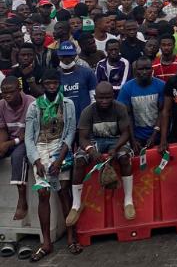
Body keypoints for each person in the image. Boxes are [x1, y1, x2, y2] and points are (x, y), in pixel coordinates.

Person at [24, 69, 78, 261]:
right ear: (43, 84)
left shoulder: (68, 104)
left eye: (55, 83)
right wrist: (36, 160)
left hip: (60, 148)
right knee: (43, 193)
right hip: (40, 149)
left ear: (59, 83)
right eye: (48, 83)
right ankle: (46, 242)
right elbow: (29, 138)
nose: (52, 86)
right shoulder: (34, 106)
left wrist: (59, 159)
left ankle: (72, 237)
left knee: (64, 192)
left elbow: (71, 132)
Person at [66, 82, 135, 230]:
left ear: (113, 96)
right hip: (94, 140)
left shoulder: (120, 108)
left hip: (115, 140)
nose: (104, 101)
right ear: (95, 97)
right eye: (101, 98)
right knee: (78, 161)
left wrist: (116, 148)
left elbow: (125, 133)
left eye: (108, 97)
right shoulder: (87, 111)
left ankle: (128, 200)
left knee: (124, 157)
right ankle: (76, 204)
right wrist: (91, 150)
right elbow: (82, 138)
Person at [0, 76, 35, 222]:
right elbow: (2, 128)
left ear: (19, 90)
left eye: (11, 92)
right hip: (11, 138)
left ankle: (22, 201)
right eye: (4, 92)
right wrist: (2, 145)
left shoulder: (31, 102)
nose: (7, 95)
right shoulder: (1, 105)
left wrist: (10, 143)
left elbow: (30, 132)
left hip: (28, 140)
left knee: (18, 156)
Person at [117, 57, 165, 150]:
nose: (144, 72)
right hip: (136, 137)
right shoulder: (127, 88)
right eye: (141, 69)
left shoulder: (161, 85)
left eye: (147, 68)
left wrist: (155, 135)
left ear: (152, 69)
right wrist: (132, 140)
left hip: (159, 135)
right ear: (135, 70)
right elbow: (126, 116)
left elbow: (162, 112)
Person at [57, 40, 97, 118]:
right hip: (64, 119)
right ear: (59, 56)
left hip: (84, 118)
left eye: (69, 56)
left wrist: (91, 116)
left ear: (75, 55)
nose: (66, 59)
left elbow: (94, 98)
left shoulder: (87, 73)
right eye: (63, 56)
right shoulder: (55, 76)